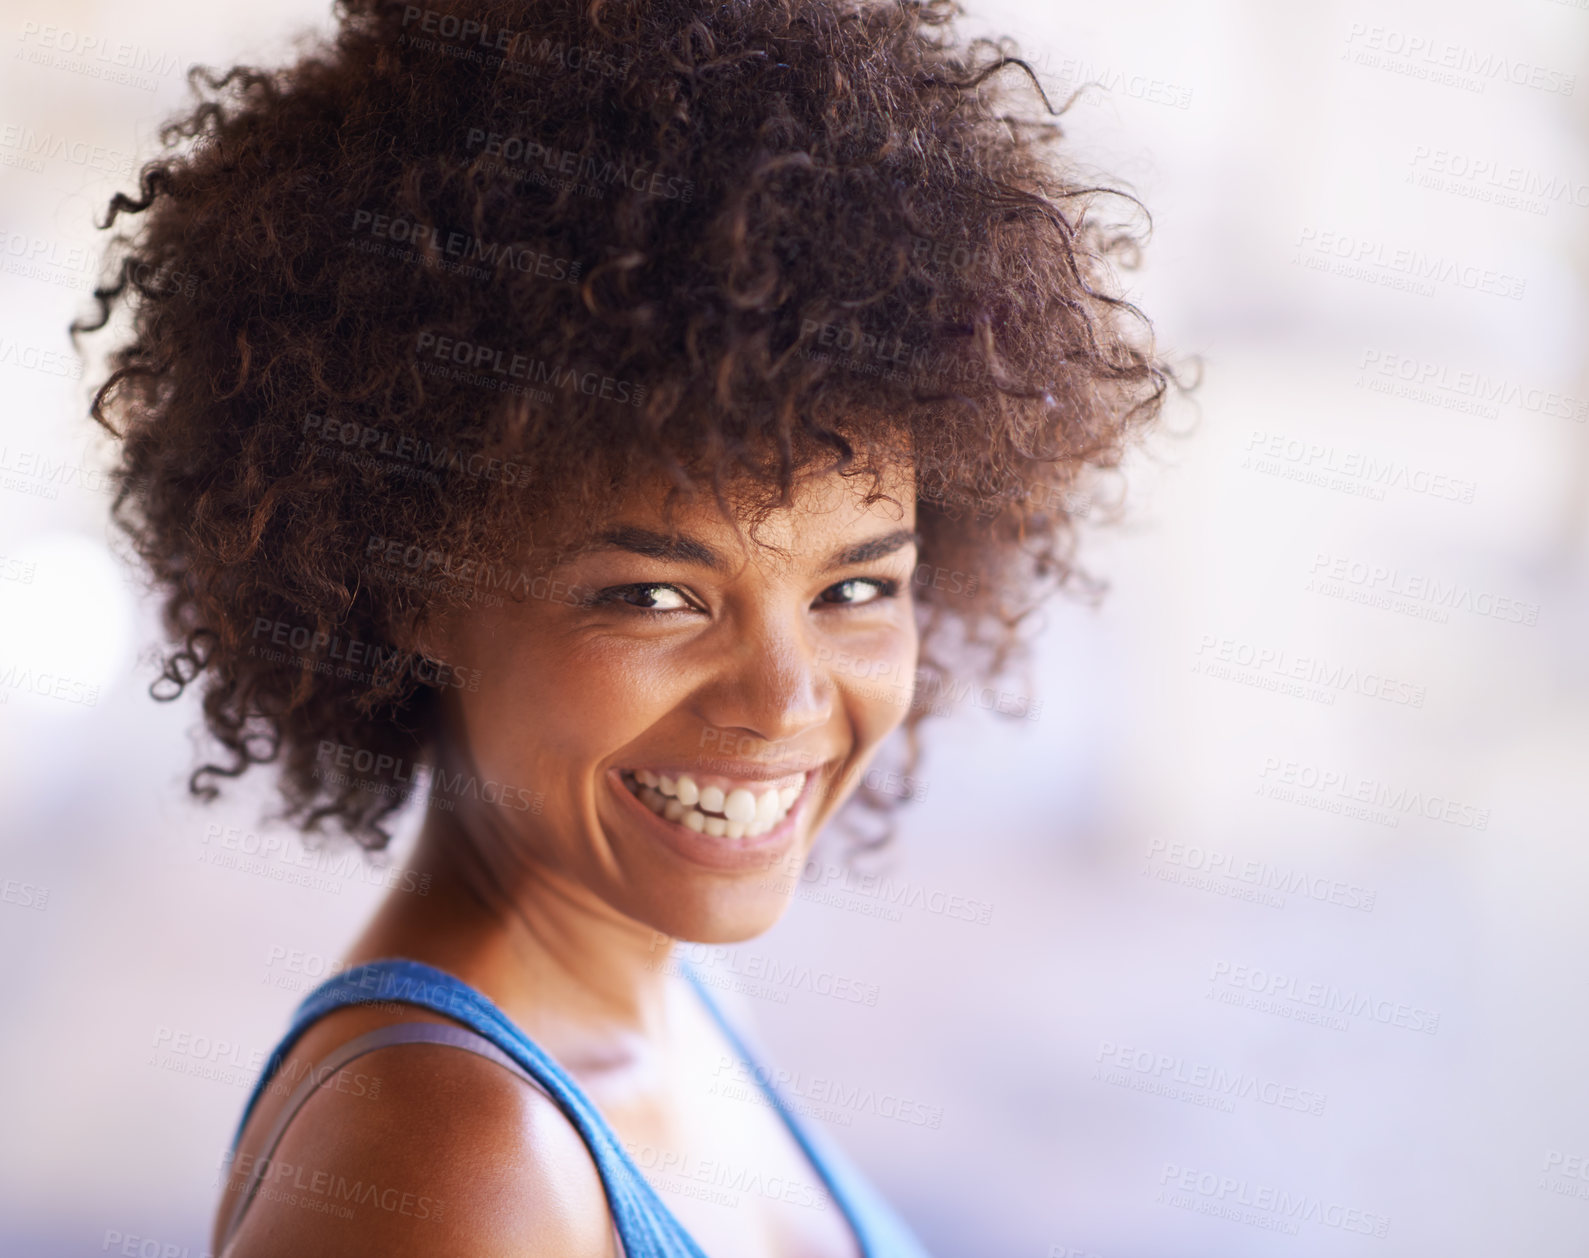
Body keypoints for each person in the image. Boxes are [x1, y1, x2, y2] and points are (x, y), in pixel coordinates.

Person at [74, 0, 1170, 1252]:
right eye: (655, 597)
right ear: (414, 579)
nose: (785, 698)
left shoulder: (672, 994)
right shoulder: (453, 1160)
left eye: (853, 587)